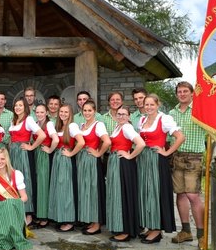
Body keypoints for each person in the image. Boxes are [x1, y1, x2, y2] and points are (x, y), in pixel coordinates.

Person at [137, 94, 185, 244]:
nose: (149, 107)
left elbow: (180, 137)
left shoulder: (164, 119)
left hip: (156, 160)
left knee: (155, 193)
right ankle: (151, 226)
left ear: (158, 105)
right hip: (144, 159)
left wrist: (167, 152)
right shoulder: (142, 119)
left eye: (152, 104)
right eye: (146, 105)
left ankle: (157, 230)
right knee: (146, 192)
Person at [169, 81, 207, 249]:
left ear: (192, 93)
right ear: (177, 94)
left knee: (193, 195)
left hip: (194, 158)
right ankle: (186, 231)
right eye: (179, 91)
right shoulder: (171, 113)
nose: (182, 94)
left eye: (185, 91)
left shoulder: (200, 111)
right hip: (177, 157)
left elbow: (211, 131)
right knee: (180, 195)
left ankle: (201, 235)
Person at [106, 105, 145, 242]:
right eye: (119, 114)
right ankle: (120, 226)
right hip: (116, 163)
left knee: (123, 195)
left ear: (129, 116)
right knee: (117, 194)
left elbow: (140, 144)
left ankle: (126, 230)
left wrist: (130, 156)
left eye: (124, 114)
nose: (121, 116)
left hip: (123, 165)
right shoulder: (118, 127)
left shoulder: (127, 127)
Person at [0, 149, 32, 250]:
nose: (0, 161)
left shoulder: (16, 174)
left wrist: (11, 203)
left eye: (2, 159)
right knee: (6, 207)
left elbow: (24, 197)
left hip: (14, 208)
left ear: (7, 160)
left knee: (9, 206)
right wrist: (3, 206)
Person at [8, 97, 45, 225]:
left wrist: (31, 147)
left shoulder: (28, 120)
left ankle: (28, 213)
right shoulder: (14, 120)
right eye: (16, 105)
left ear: (25, 107)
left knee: (25, 180)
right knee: (13, 181)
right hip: (13, 154)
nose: (17, 107)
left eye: (20, 105)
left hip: (23, 154)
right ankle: (16, 210)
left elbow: (42, 135)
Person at [48, 104, 84, 232]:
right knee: (58, 188)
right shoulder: (58, 126)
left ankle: (69, 221)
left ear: (70, 114)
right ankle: (61, 217)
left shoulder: (72, 126)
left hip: (65, 159)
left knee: (66, 188)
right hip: (57, 158)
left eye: (66, 112)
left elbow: (81, 142)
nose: (63, 114)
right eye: (61, 111)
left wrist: (71, 153)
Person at [77, 100, 111, 235]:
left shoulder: (99, 125)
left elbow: (107, 141)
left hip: (91, 161)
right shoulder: (82, 125)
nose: (87, 113)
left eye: (89, 110)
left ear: (95, 111)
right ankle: (91, 220)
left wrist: (98, 153)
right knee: (86, 190)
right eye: (85, 110)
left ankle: (97, 223)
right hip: (82, 160)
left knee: (93, 190)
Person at [31, 104, 59, 229]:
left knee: (43, 184)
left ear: (46, 112)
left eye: (42, 112)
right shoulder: (36, 123)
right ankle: (39, 214)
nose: (39, 114)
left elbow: (56, 139)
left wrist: (49, 150)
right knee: (38, 184)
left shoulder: (49, 124)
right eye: (37, 112)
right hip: (37, 154)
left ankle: (44, 217)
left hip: (44, 155)